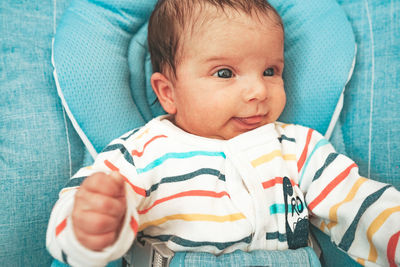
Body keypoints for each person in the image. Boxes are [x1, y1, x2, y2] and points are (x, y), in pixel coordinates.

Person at [46, 0, 400, 266]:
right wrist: (91, 225)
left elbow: (358, 203)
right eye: (225, 73)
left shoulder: (298, 147)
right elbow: (81, 208)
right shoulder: (140, 154)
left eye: (269, 70)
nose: (258, 91)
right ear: (167, 92)